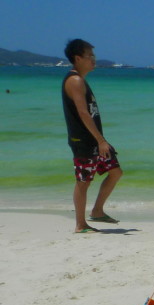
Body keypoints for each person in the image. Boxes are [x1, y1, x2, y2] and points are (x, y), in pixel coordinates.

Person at [62, 39, 122, 233]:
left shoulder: (81, 80)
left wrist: (101, 141)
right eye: (90, 56)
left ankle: (97, 211)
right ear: (77, 58)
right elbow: (83, 113)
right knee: (83, 181)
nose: (93, 59)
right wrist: (101, 141)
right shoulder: (75, 80)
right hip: (84, 141)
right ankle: (80, 224)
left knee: (115, 172)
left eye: (93, 56)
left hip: (94, 140)